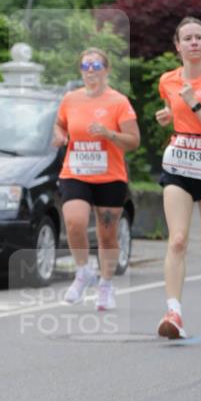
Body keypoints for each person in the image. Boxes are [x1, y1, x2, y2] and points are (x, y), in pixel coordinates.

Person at [53, 48, 140, 310]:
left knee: (107, 236)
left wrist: (108, 134)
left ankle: (106, 285)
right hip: (76, 172)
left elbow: (134, 141)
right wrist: (59, 135)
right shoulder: (70, 99)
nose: (90, 70)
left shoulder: (119, 102)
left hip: (109, 177)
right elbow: (60, 124)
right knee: (74, 222)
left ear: (107, 70)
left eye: (96, 65)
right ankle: (83, 272)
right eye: (85, 65)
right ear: (80, 70)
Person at [154, 16, 201, 339]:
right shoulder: (167, 81)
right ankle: (174, 313)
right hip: (180, 163)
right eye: (188, 38)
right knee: (178, 240)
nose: (195, 42)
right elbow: (174, 112)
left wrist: (193, 103)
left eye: (200, 37)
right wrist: (169, 116)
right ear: (177, 45)